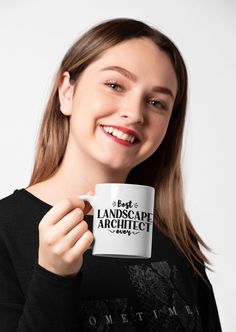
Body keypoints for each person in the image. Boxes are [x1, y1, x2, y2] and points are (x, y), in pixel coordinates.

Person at [0, 18, 222, 332]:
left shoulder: (175, 236)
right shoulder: (5, 229)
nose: (134, 112)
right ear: (67, 91)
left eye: (157, 102)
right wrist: (54, 276)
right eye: (115, 85)